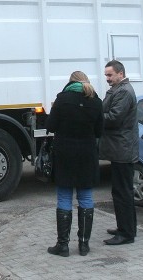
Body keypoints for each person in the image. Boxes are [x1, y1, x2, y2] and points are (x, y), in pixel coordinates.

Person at [45, 71, 103, 257]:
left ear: (70, 82)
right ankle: (84, 245)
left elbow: (51, 126)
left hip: (65, 154)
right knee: (86, 197)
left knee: (64, 197)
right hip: (87, 153)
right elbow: (99, 130)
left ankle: (63, 246)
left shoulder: (62, 99)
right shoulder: (96, 101)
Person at [100, 60, 139, 246]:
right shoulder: (119, 90)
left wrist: (96, 117)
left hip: (122, 149)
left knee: (122, 192)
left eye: (110, 75)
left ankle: (126, 233)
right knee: (122, 191)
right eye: (106, 75)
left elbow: (114, 118)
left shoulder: (123, 92)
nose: (107, 78)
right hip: (120, 149)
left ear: (120, 74)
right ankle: (127, 227)